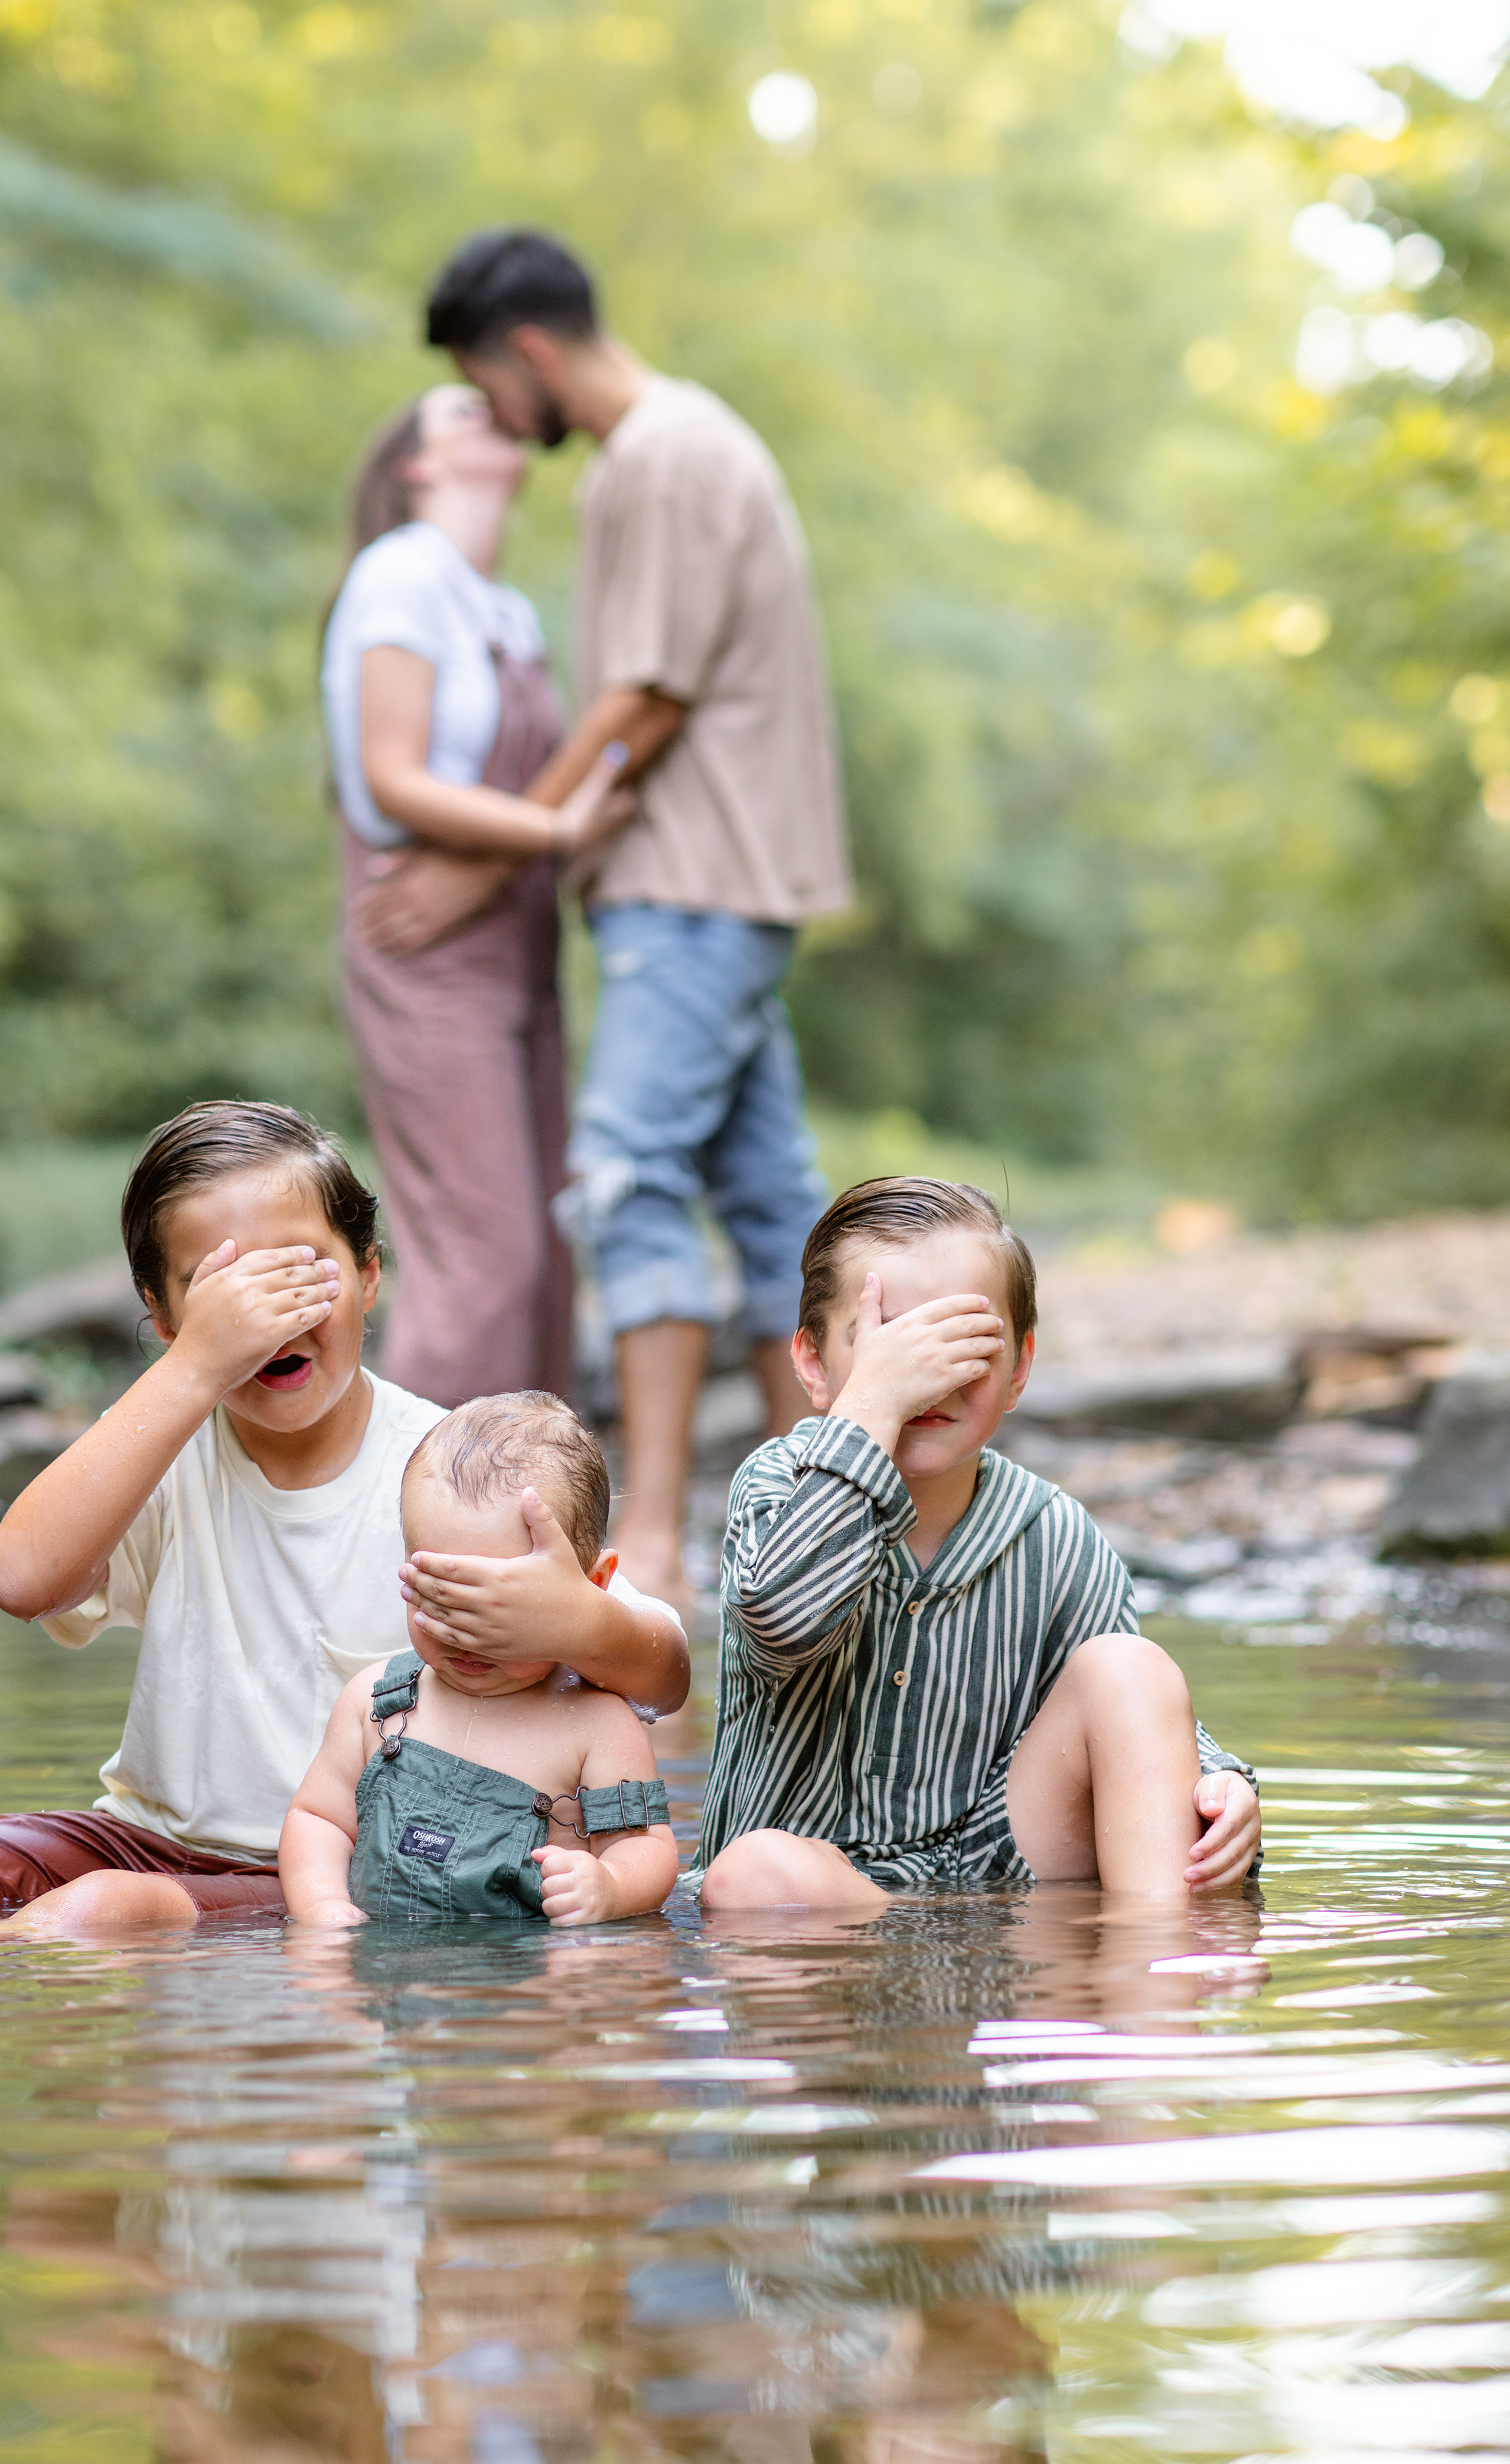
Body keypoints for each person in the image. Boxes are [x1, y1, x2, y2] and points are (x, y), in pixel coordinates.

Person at [0, 1103, 688, 1938]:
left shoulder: (450, 1471)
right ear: (161, 1318)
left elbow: (664, 1669)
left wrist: (575, 1624)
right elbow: (20, 1578)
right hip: (137, 1838)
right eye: (221, 1288)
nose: (266, 1313)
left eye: (299, 1271)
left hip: (330, 1873)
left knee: (91, 1920)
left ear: (370, 1274)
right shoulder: (165, 1437)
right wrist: (193, 1368)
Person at [406, 226, 855, 1617]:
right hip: (723, 878)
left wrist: (498, 860)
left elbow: (642, 701)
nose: (492, 416)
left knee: (625, 1177)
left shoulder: (658, 455)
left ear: (528, 349)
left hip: (691, 879)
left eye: (487, 383)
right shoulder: (686, 443)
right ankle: (832, 1533)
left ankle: (652, 1541)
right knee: (773, 1200)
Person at [696, 1176, 1263, 1911]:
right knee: (754, 1878)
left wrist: (1223, 1788)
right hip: (821, 1892)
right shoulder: (777, 1484)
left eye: (962, 1340)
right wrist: (872, 1402)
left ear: (1020, 1366)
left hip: (999, 1870)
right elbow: (782, 1621)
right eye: (891, 1342)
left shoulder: (1055, 1534)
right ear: (812, 1364)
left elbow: (1138, 1722)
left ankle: (1153, 1971)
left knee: (1129, 1667)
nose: (928, 1376)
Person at [322, 383, 634, 1406]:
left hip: (521, 944)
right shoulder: (400, 574)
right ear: (419, 464)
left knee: (547, 1258)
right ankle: (402, 1539)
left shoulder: (502, 607)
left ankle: (523, 1526)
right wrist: (553, 831)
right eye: (464, 410)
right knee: (483, 1262)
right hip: (425, 946)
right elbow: (393, 775)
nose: (494, 409)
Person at [280, 1393, 679, 1930]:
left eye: (502, 1609)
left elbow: (647, 1850)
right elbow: (319, 1819)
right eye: (441, 1599)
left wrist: (609, 1887)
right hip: (393, 1994)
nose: (468, 1635)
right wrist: (321, 1905)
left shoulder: (598, 1726)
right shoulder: (378, 1705)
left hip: (524, 1997)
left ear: (592, 1589)